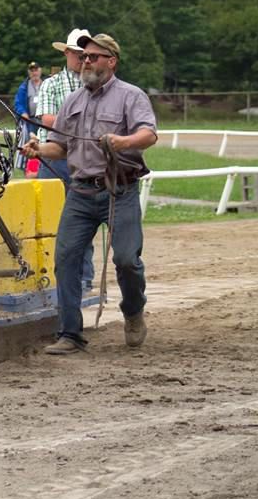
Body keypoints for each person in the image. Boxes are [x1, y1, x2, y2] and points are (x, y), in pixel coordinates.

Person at [21, 33, 157, 355]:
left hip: (119, 191)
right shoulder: (73, 101)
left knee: (126, 260)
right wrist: (39, 150)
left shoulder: (131, 96)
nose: (86, 62)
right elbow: (61, 146)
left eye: (94, 56)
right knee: (65, 258)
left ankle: (133, 311)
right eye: (84, 57)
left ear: (111, 61)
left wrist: (122, 142)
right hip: (80, 193)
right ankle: (70, 333)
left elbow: (148, 134)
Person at [35, 27, 96, 290]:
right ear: (68, 53)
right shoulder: (51, 83)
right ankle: (51, 274)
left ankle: (85, 277)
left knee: (86, 218)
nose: (83, 60)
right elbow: (47, 120)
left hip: (84, 158)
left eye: (87, 55)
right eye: (78, 54)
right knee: (50, 218)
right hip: (54, 157)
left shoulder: (95, 84)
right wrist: (79, 123)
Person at [13, 61, 43, 175]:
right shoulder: (24, 87)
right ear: (29, 72)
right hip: (30, 121)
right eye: (32, 70)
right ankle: (30, 170)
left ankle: (42, 169)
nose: (34, 72)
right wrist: (23, 113)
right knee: (31, 146)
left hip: (43, 121)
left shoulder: (46, 84)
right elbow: (18, 103)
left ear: (40, 70)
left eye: (36, 70)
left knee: (42, 144)